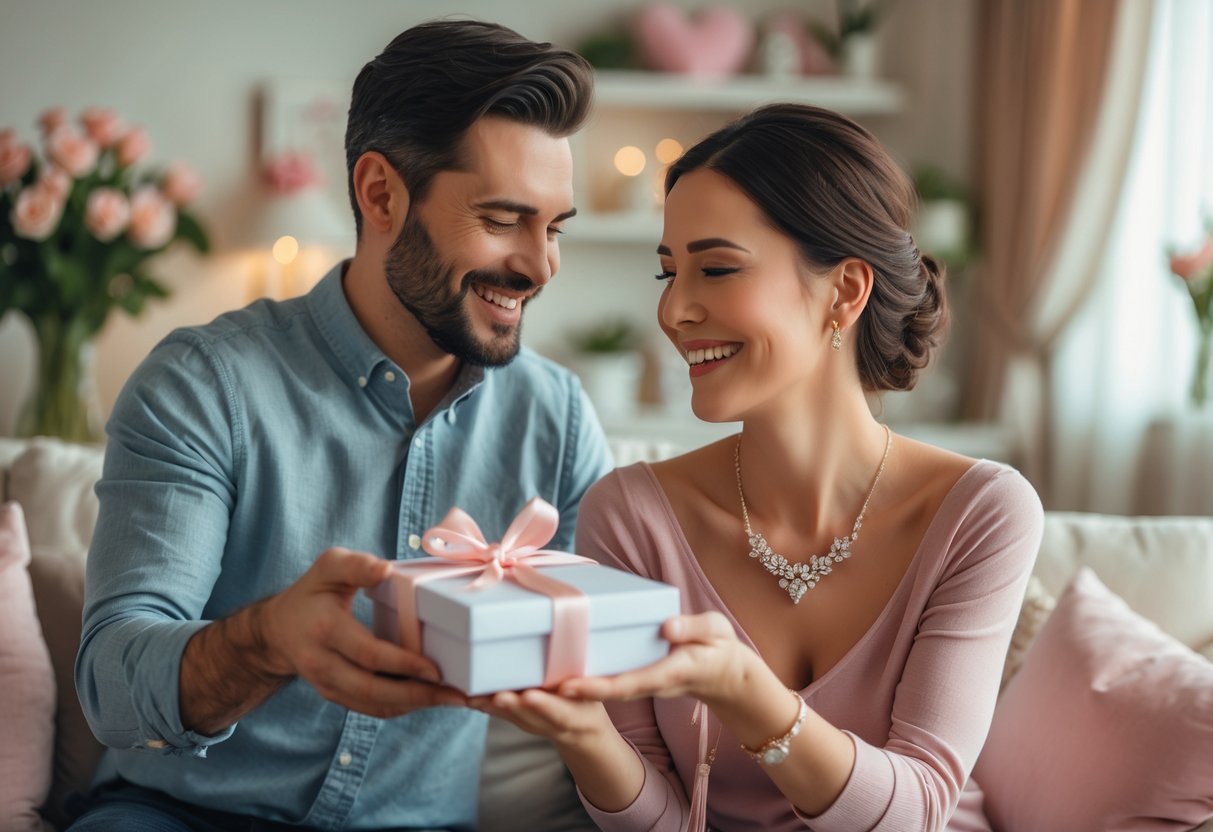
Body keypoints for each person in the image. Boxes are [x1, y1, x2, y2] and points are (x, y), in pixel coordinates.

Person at [71, 19, 612, 831]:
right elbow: (113, 687)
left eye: (555, 226)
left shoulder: (557, 417)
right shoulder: (204, 383)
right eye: (504, 219)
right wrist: (265, 641)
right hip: (176, 817)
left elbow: (617, 658)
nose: (540, 266)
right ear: (381, 192)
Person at [475, 103, 1044, 831]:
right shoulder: (630, 514)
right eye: (667, 272)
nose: (674, 310)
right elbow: (658, 819)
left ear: (843, 291)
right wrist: (582, 731)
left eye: (715, 268)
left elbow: (918, 812)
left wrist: (748, 693)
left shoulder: (981, 511)